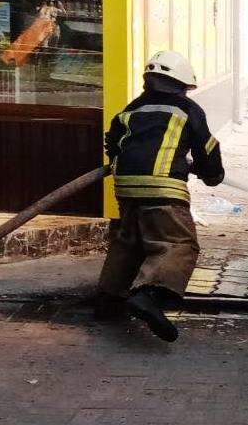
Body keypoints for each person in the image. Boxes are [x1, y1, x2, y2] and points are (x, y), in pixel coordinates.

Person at [96, 51, 224, 341]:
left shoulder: (132, 108)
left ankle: (109, 299)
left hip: (126, 186)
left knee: (130, 241)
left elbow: (112, 142)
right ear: (181, 84)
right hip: (164, 188)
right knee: (177, 243)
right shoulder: (187, 109)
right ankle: (149, 295)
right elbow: (207, 148)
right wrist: (213, 175)